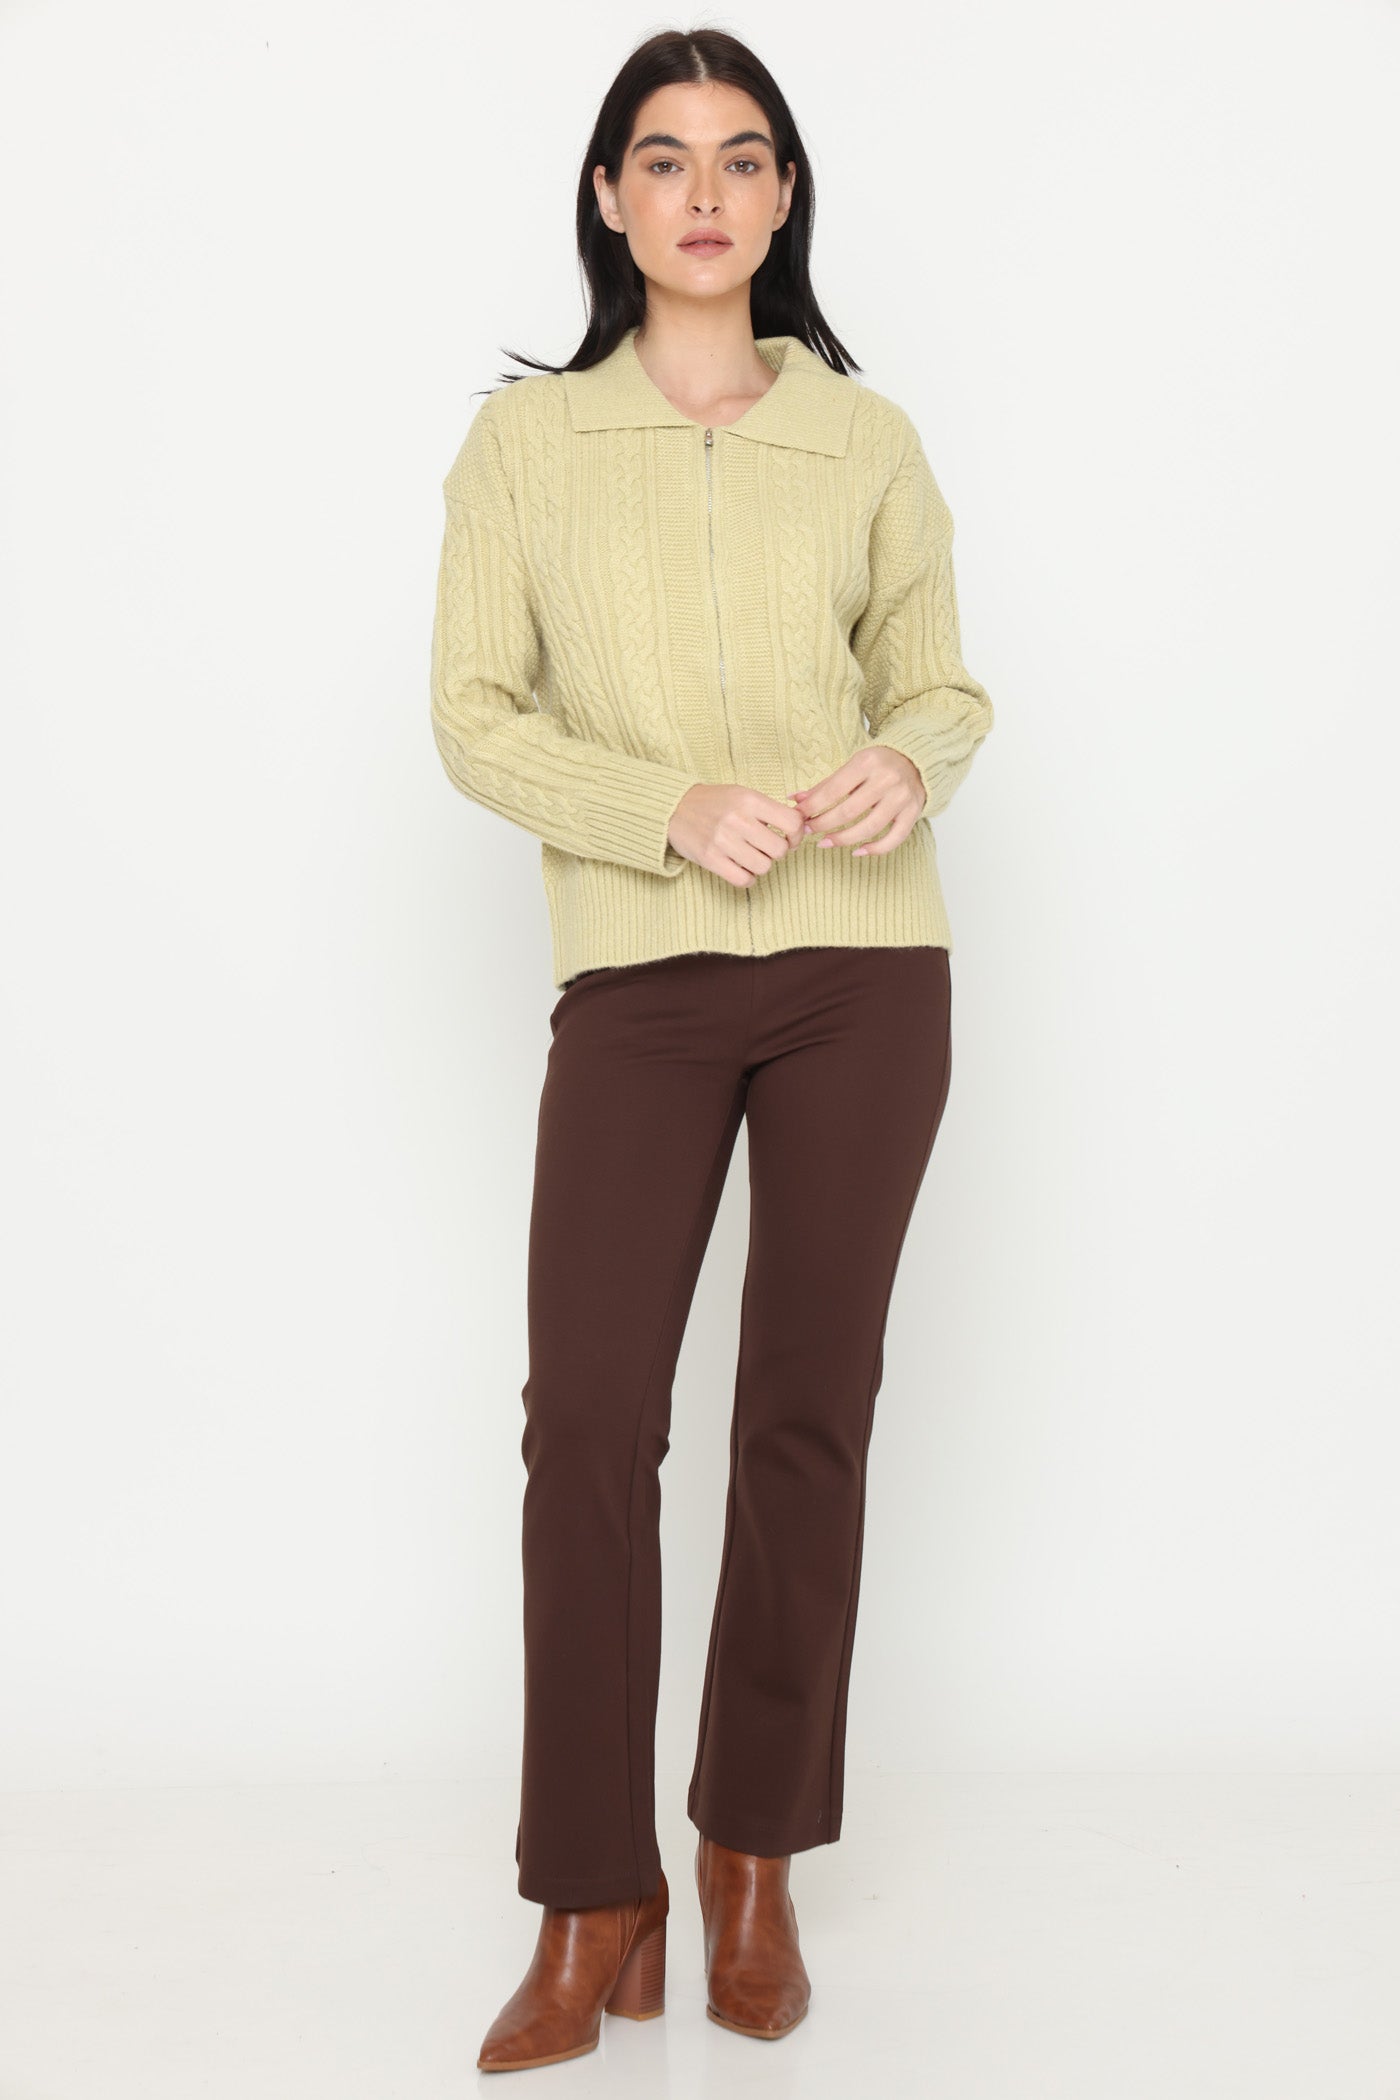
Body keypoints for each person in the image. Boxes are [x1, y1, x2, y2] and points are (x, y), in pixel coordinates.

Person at [429, 26, 994, 2074]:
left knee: (805, 1414)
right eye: (660, 159)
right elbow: (474, 714)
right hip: (642, 979)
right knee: (587, 1420)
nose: (701, 193)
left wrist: (903, 764)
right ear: (608, 198)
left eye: (740, 159)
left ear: (781, 197)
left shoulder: (866, 440)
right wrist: (660, 807)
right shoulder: (525, 450)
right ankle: (595, 1893)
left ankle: (750, 1857)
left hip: (865, 972)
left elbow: (940, 687)